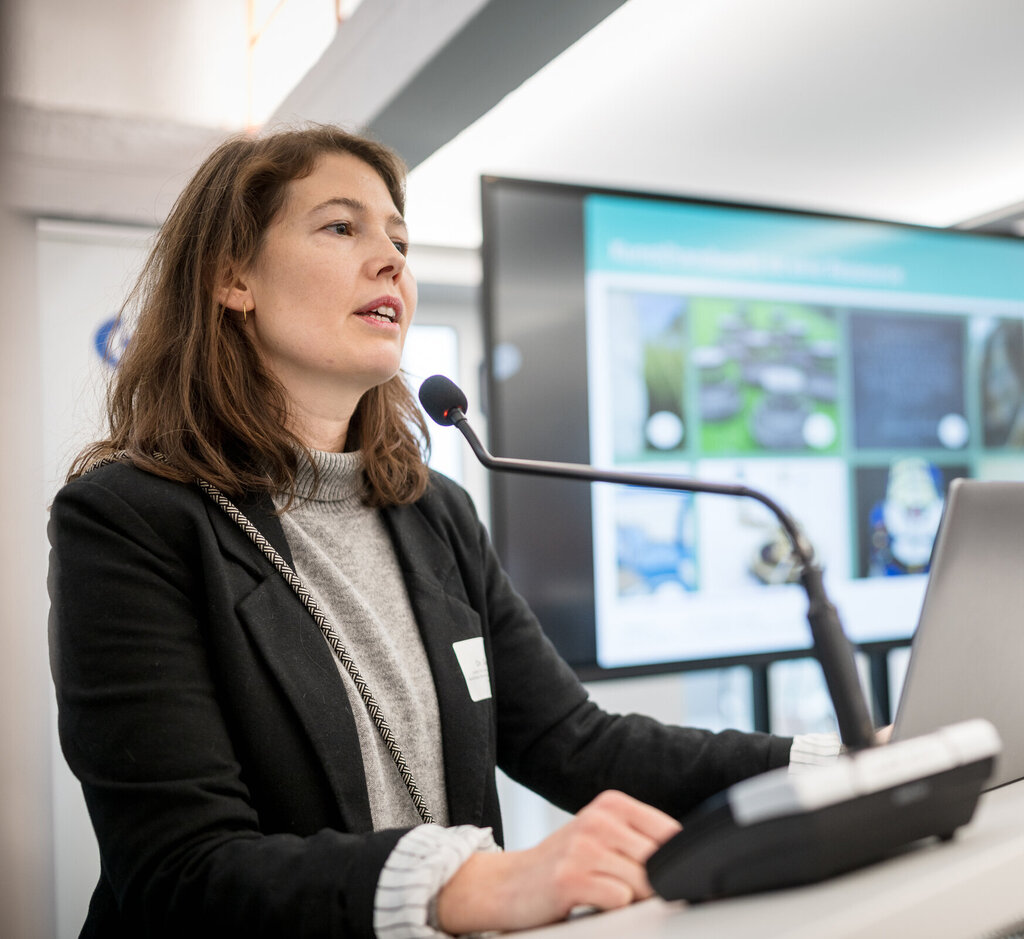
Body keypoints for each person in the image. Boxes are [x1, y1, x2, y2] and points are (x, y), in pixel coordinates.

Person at [48, 125, 838, 938]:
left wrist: (830, 763)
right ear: (232, 277)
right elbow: (180, 869)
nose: (391, 261)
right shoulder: (129, 520)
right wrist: (467, 883)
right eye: (341, 226)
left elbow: (573, 740)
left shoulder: (433, 510)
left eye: (399, 240)